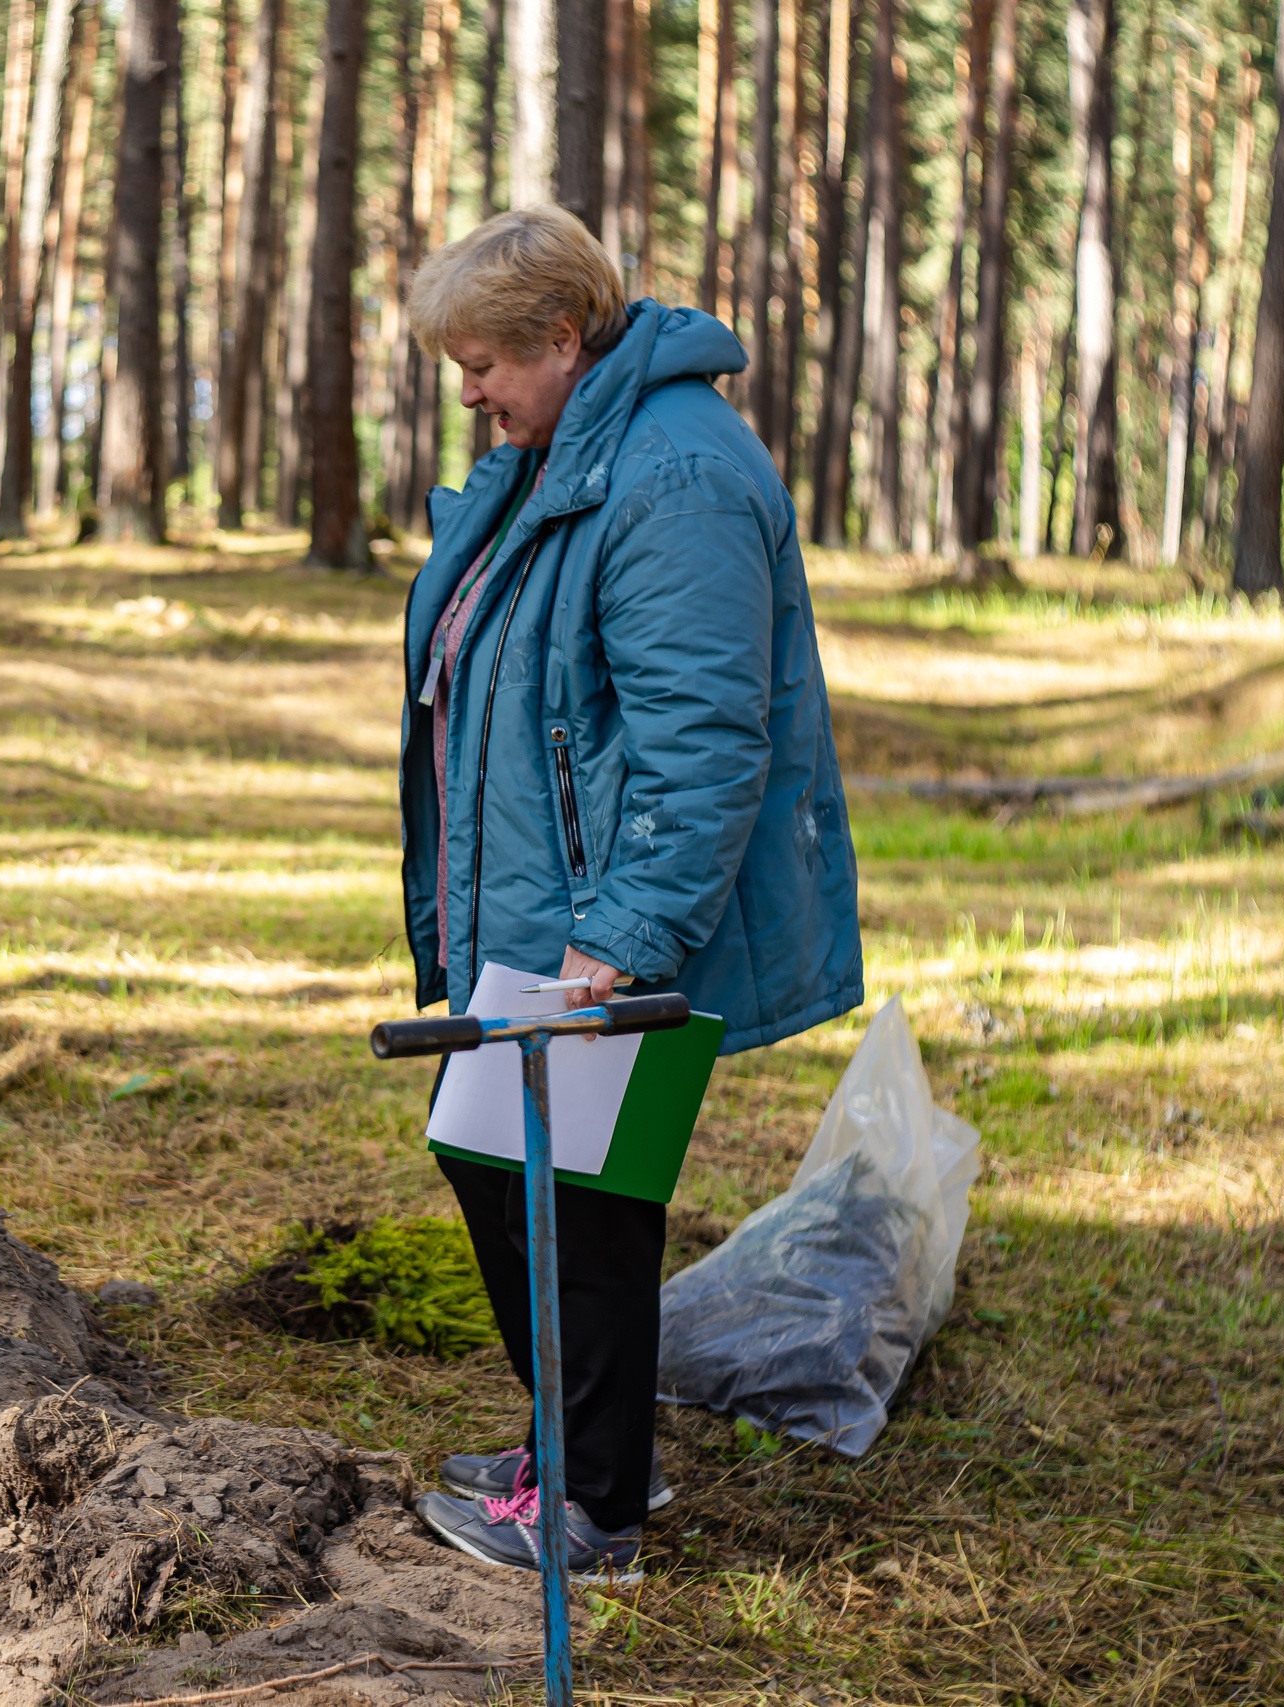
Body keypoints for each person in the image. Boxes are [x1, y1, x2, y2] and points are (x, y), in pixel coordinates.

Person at [396, 208, 863, 1574]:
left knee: (579, 1204)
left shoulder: (673, 473)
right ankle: (583, 1445)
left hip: (601, 923)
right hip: (540, 901)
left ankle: (593, 1510)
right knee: (500, 1160)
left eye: (482, 360)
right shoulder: (572, 451)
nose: (468, 392)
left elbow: (705, 733)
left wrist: (628, 931)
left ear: (563, 335)